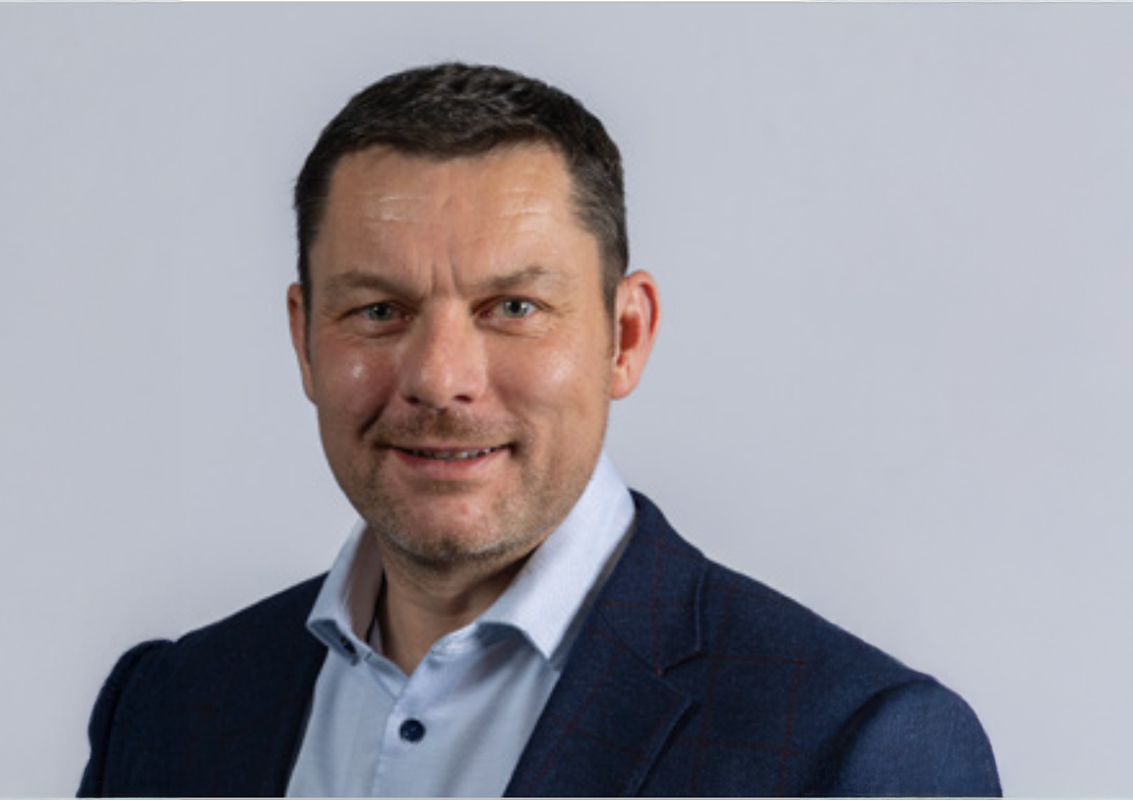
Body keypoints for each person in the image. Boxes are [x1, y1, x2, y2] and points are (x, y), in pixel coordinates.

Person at [77, 62, 1000, 797]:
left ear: (625, 337)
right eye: (377, 311)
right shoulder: (169, 711)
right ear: (304, 340)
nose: (440, 378)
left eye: (513, 306)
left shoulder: (858, 751)